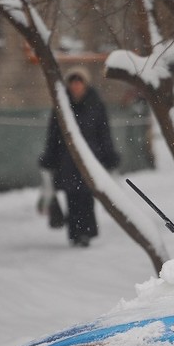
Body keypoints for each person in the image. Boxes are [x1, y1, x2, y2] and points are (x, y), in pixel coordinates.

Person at [39, 66, 119, 247]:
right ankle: (75, 234)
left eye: (79, 82)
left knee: (86, 196)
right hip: (66, 160)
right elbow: (53, 135)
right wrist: (49, 158)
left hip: (91, 159)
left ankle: (86, 233)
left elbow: (104, 133)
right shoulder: (62, 106)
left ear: (85, 84)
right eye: (73, 82)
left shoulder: (96, 105)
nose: (76, 86)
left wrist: (109, 156)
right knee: (71, 197)